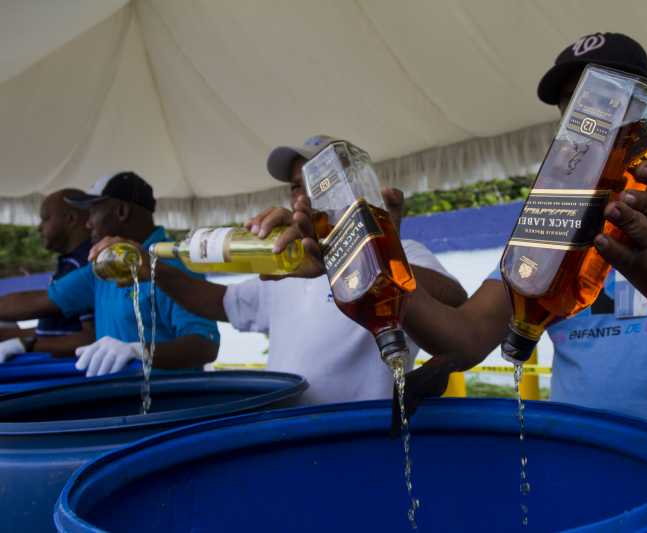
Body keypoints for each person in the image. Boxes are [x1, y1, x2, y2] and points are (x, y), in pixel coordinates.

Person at [291, 35, 647, 532]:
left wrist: (640, 252)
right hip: (591, 491)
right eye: (572, 106)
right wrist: (369, 260)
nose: (585, 119)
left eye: (606, 98)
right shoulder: (545, 222)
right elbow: (466, 334)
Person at [92, 135, 467, 405]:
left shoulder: (402, 251)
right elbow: (221, 302)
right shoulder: (286, 262)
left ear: (354, 189)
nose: (302, 198)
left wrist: (359, 258)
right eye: (294, 187)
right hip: (289, 438)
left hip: (365, 440)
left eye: (318, 185)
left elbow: (456, 304)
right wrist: (155, 268)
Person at [0, 172, 220, 376]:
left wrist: (140, 352)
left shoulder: (174, 263)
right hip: (117, 404)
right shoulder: (105, 263)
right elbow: (40, 301)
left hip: (171, 408)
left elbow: (205, 345)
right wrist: (24, 342)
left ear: (121, 212)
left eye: (93, 211)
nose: (87, 223)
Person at [0, 189, 95, 362]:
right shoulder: (71, 262)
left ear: (71, 219)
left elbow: (91, 338)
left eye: (45, 218)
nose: (39, 227)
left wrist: (28, 344)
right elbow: (59, 330)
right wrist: (9, 335)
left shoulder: (85, 264)